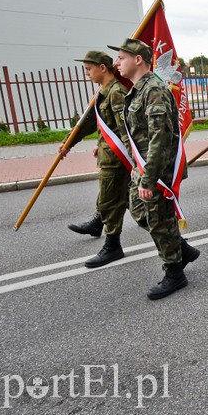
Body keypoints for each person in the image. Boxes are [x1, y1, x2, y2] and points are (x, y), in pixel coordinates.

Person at [109, 38, 199, 300]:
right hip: (144, 165)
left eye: (122, 58)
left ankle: (174, 271)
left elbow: (159, 137)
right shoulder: (137, 90)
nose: (117, 63)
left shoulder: (154, 90)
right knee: (140, 213)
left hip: (157, 170)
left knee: (158, 219)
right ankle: (181, 248)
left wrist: (148, 180)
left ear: (138, 60)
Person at [61, 51, 131, 268]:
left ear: (103, 68)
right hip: (110, 156)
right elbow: (92, 122)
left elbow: (126, 130)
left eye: (89, 69)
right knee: (118, 201)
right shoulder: (104, 91)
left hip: (118, 159)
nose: (87, 73)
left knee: (117, 203)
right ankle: (99, 226)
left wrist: (137, 163)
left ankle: (112, 247)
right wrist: (68, 143)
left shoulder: (117, 93)